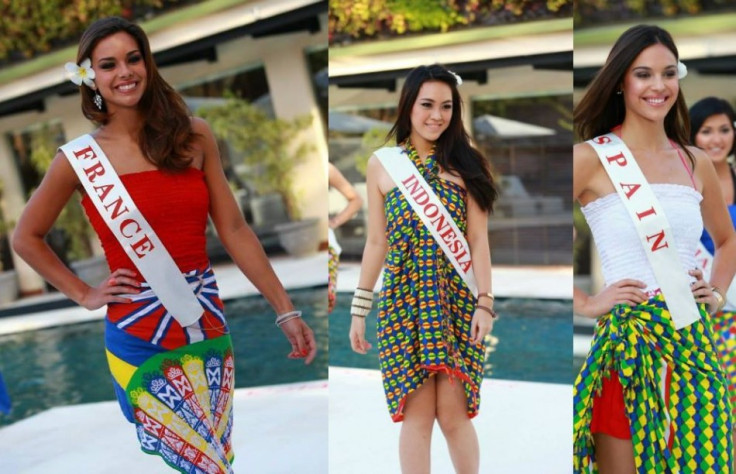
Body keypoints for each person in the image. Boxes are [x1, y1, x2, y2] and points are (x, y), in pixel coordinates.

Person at [11, 17, 316, 473]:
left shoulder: (194, 137)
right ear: (91, 78)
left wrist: (285, 309)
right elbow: (25, 237)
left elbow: (234, 230)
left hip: (207, 324)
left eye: (133, 59)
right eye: (108, 65)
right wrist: (84, 293)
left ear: (148, 64)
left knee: (215, 459)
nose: (124, 73)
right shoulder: (77, 161)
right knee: (206, 466)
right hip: (138, 334)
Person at [573, 25, 736, 473]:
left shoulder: (694, 160)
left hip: (693, 345)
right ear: (621, 81)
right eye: (643, 74)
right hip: (628, 348)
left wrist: (717, 295)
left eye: (668, 73)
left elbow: (727, 240)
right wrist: (586, 301)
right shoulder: (590, 158)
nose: (658, 86)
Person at [348, 64, 498, 474]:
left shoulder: (469, 166)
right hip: (401, 301)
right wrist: (359, 309)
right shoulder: (383, 164)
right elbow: (376, 242)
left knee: (453, 416)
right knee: (415, 416)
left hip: (456, 302)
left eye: (446, 106)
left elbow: (478, 241)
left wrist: (485, 302)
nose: (437, 115)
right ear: (408, 106)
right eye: (427, 104)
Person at [689, 96, 736, 450]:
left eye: (724, 129)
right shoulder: (684, 185)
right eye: (707, 131)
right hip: (704, 316)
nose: (717, 139)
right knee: (708, 414)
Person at [327, 162, 362, 313]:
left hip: (328, 249)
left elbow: (355, 199)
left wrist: (334, 222)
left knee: (327, 303)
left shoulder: (325, 168)